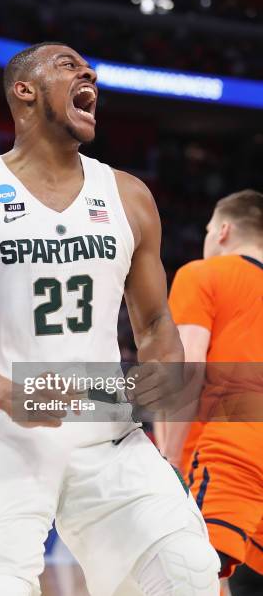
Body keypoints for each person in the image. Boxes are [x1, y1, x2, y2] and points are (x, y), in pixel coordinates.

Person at [0, 42, 220, 595]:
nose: (89, 74)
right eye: (67, 65)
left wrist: (165, 372)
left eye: (89, 69)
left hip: (106, 422)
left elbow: (155, 326)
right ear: (23, 91)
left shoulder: (128, 196)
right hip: (5, 430)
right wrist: (14, 395)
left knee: (185, 567)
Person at [158, 190, 263, 590]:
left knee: (185, 577)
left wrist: (168, 458)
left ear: (222, 231)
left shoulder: (202, 274)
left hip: (228, 453)